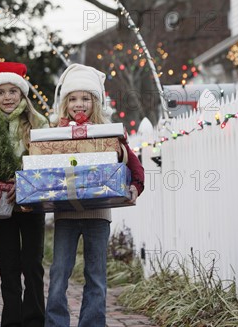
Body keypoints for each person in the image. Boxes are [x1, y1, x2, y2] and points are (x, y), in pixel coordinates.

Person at [44, 64, 145, 327]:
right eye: (73, 99)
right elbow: (41, 166)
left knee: (96, 276)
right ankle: (55, 323)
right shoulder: (55, 133)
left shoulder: (108, 133)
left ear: (95, 102)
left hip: (98, 214)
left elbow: (135, 167)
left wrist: (135, 186)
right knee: (58, 274)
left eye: (85, 98)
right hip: (65, 213)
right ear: (65, 103)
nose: (79, 104)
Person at [0, 61, 49, 327]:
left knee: (33, 265)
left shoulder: (38, 123)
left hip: (32, 203)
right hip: (1, 206)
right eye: (0, 92)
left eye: (12, 91)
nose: (7, 97)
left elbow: (47, 163)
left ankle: (35, 319)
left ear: (22, 94)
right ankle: (11, 320)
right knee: (8, 267)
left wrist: (25, 184)